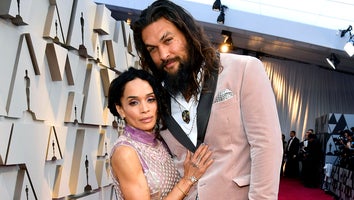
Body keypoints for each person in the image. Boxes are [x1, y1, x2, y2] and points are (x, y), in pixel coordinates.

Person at [131, 1, 283, 199]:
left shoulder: (244, 69)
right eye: (152, 49)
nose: (163, 54)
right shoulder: (157, 96)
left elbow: (267, 145)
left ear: (188, 34)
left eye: (168, 40)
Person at [107, 67, 214, 199]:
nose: (145, 109)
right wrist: (187, 180)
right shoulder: (125, 153)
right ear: (121, 109)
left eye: (150, 99)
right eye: (134, 102)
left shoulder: (159, 140)